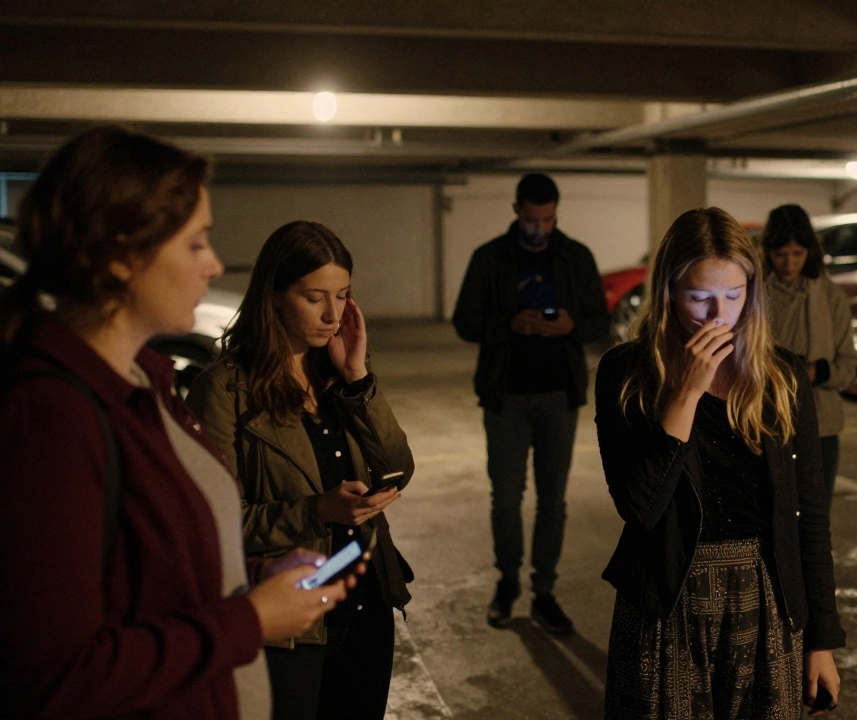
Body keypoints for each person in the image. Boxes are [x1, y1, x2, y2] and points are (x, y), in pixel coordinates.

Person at [0, 126, 349, 720]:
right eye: (195, 244)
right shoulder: (53, 418)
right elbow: (54, 676)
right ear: (120, 255)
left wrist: (255, 575)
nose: (214, 264)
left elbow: (149, 571)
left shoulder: (145, 386)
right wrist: (252, 620)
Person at [595, 207, 845, 719]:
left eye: (733, 297)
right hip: (669, 598)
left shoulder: (782, 375)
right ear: (667, 291)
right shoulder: (627, 373)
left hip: (765, 595)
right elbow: (639, 508)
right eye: (699, 297)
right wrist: (684, 394)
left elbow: (809, 517)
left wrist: (822, 638)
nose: (717, 316)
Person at [187, 221, 416, 720]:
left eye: (343, 296)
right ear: (274, 296)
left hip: (366, 605)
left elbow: (398, 467)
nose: (333, 314)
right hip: (290, 624)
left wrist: (357, 378)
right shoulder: (224, 392)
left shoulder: (338, 372)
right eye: (315, 297)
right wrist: (317, 511)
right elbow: (212, 526)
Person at [452, 172, 609, 633]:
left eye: (547, 219)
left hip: (559, 393)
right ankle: (507, 583)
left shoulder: (576, 257)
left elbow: (600, 322)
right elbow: (464, 321)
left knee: (552, 501)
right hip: (507, 395)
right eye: (532, 218)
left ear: (555, 212)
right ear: (517, 210)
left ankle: (544, 591)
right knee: (505, 498)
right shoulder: (490, 258)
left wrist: (569, 326)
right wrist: (510, 325)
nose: (539, 228)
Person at [760, 204, 857, 505]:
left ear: (810, 251)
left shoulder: (829, 296)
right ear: (769, 252)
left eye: (797, 253)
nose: (788, 263)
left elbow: (848, 364)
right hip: (767, 423)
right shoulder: (758, 296)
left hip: (820, 426)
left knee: (814, 517)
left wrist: (813, 373)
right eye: (780, 254)